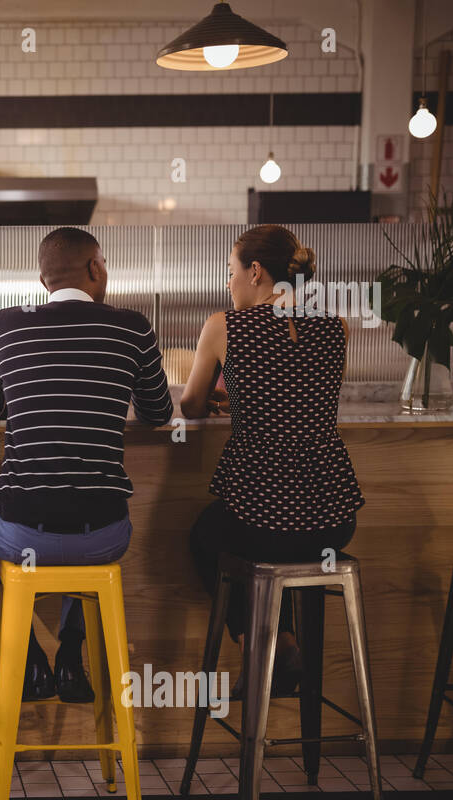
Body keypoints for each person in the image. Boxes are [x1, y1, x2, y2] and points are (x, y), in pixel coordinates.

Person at [0, 227, 174, 702]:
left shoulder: (5, 325)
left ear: (43, 280)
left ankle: (31, 658)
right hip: (105, 534)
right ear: (96, 268)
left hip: (22, 534)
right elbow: (159, 413)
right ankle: (71, 655)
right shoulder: (133, 327)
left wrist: (26, 400)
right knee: (87, 542)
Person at [180, 224, 364, 697]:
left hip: (261, 518)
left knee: (207, 535)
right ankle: (284, 645)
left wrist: (224, 403)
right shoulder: (335, 327)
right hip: (331, 518)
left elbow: (192, 404)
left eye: (230, 271)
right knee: (287, 545)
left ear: (255, 272)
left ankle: (271, 644)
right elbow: (310, 400)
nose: (228, 283)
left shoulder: (225, 326)